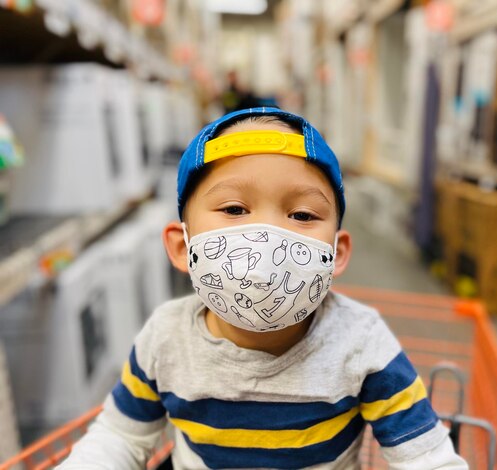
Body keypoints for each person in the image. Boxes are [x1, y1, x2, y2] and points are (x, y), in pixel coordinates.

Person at [59, 107, 468, 469]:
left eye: (303, 214)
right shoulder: (165, 340)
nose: (268, 235)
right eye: (234, 209)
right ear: (183, 247)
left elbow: (426, 457)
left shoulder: (361, 345)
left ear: (337, 253)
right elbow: (121, 436)